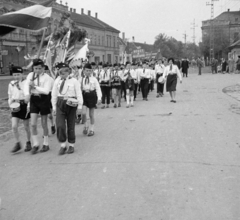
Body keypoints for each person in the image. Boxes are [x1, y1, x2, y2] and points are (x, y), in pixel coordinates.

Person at [52, 63, 83, 155]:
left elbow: (79, 94)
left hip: (71, 103)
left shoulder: (74, 81)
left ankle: (71, 145)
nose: (63, 73)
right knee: (60, 125)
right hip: (60, 103)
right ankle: (62, 145)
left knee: (71, 125)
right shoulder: (57, 81)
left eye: (65, 71)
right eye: (60, 71)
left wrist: (80, 107)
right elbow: (53, 94)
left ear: (69, 71)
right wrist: (54, 107)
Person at [24, 59, 52, 154]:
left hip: (44, 99)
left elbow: (46, 91)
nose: (38, 70)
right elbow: (26, 86)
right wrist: (27, 94)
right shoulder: (30, 76)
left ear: (43, 68)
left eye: (40, 68)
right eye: (36, 68)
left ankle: (46, 143)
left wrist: (35, 87)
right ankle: (35, 144)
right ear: (33, 68)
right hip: (34, 100)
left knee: (44, 123)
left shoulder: (47, 77)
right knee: (33, 124)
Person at [8, 66, 31, 153]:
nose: (16, 76)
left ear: (22, 74)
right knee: (14, 126)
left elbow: (29, 96)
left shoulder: (26, 83)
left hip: (24, 105)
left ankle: (28, 142)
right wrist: (10, 104)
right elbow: (10, 95)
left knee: (26, 126)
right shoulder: (11, 84)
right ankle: (17, 143)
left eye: (18, 74)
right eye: (15, 75)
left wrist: (28, 105)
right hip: (15, 105)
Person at [81, 63, 102, 136]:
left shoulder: (94, 79)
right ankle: (86, 125)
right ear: (84, 71)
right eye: (87, 70)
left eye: (89, 71)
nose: (88, 72)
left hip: (92, 95)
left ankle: (92, 129)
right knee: (83, 113)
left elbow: (98, 89)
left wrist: (99, 98)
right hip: (84, 95)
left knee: (91, 114)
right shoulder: (81, 79)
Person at [44, 65, 56, 134]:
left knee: (51, 114)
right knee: (46, 115)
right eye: (45, 71)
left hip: (50, 95)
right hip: (44, 97)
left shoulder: (51, 80)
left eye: (47, 71)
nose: (46, 73)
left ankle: (53, 125)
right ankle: (47, 130)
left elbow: (54, 90)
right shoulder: (41, 79)